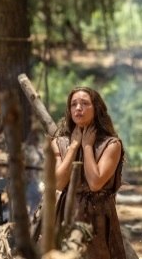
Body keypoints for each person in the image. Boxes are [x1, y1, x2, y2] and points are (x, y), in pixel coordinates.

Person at [52, 86, 125, 259]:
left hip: (98, 215)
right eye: (74, 104)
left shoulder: (111, 144)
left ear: (97, 109)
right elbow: (59, 183)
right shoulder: (59, 143)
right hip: (66, 213)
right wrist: (74, 147)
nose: (78, 108)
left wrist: (87, 146)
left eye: (85, 103)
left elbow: (95, 183)